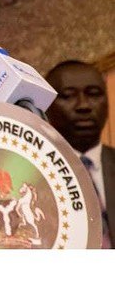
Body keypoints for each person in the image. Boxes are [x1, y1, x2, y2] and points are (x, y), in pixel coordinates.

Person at [45, 60, 113, 248]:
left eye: (94, 94)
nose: (83, 105)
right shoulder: (34, 174)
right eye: (68, 96)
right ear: (46, 107)